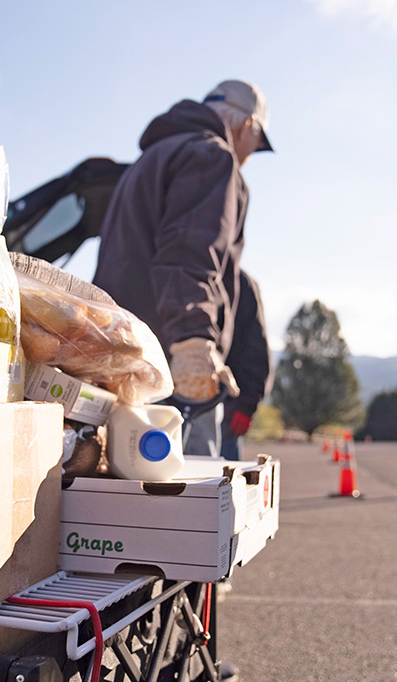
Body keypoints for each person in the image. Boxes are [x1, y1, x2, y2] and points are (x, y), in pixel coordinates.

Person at [92, 79, 274, 456]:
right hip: (169, 370)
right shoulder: (212, 155)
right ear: (247, 126)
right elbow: (189, 253)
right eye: (256, 145)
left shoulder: (146, 163)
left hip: (119, 362)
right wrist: (192, 343)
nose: (249, 156)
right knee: (187, 501)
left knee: (122, 495)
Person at [220, 271, 273, 460]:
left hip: (225, 403)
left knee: (219, 480)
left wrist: (246, 404)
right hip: (162, 398)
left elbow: (256, 348)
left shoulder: (239, 282)